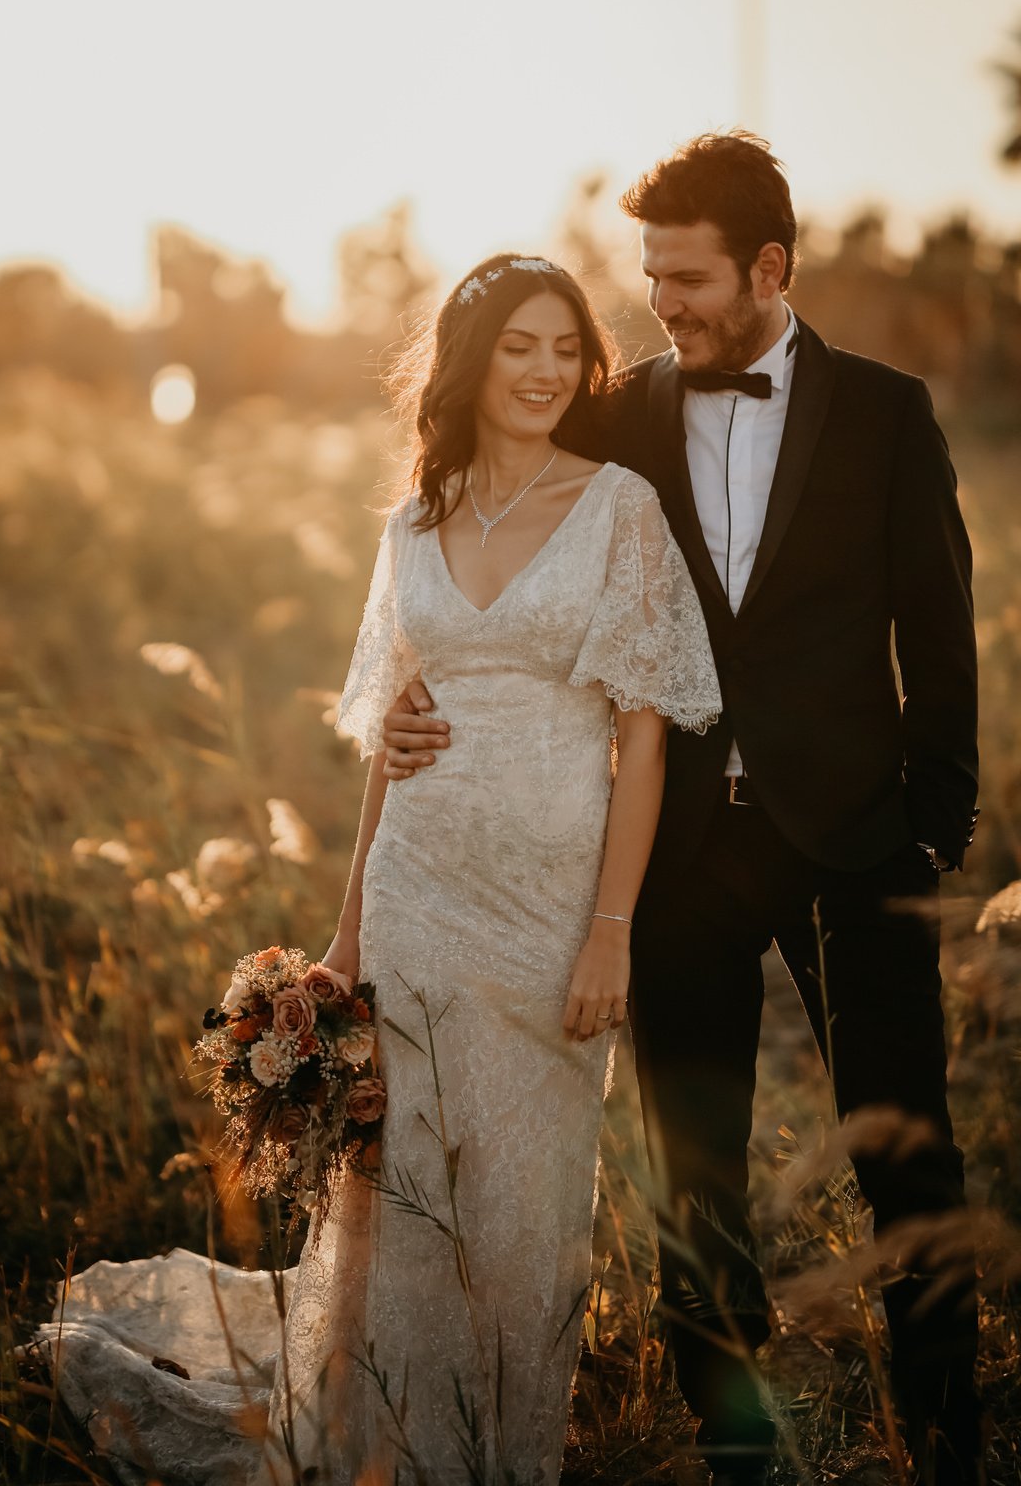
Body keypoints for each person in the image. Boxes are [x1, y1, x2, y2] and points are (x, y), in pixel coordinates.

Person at [382, 136, 981, 1486]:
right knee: (694, 1181)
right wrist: (429, 695)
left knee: (914, 1166)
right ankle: (734, 1453)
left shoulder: (889, 415)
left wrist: (934, 830)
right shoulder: (623, 416)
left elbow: (939, 638)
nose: (667, 302)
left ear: (770, 269)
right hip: (679, 855)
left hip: (857, 844)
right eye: (652, 274)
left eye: (691, 276)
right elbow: (498, 518)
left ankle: (946, 1443)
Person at [254, 254, 721, 1485]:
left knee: (526, 1221)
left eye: (567, 350)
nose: (548, 372)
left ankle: (505, 1458)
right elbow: (388, 737)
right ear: (470, 363)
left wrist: (610, 929)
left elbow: (644, 739)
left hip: (551, 909)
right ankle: (401, 1456)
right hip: (417, 889)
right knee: (405, 1204)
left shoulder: (619, 507)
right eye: (520, 346)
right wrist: (348, 935)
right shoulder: (415, 517)